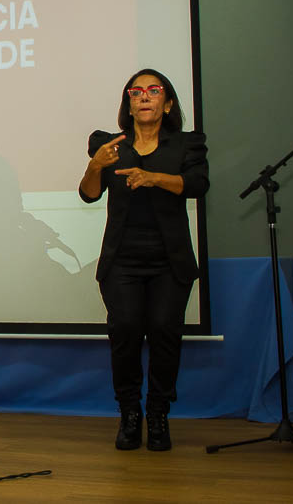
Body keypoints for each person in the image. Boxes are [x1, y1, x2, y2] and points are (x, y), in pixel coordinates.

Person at [78, 69, 208, 451]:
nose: (144, 96)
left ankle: (159, 413)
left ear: (167, 103)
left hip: (170, 260)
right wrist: (95, 165)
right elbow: (88, 195)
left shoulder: (186, 144)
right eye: (136, 92)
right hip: (122, 261)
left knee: (166, 333)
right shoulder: (108, 144)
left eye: (154, 91)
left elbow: (198, 185)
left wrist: (153, 178)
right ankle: (130, 413)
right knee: (126, 333)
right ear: (129, 103)